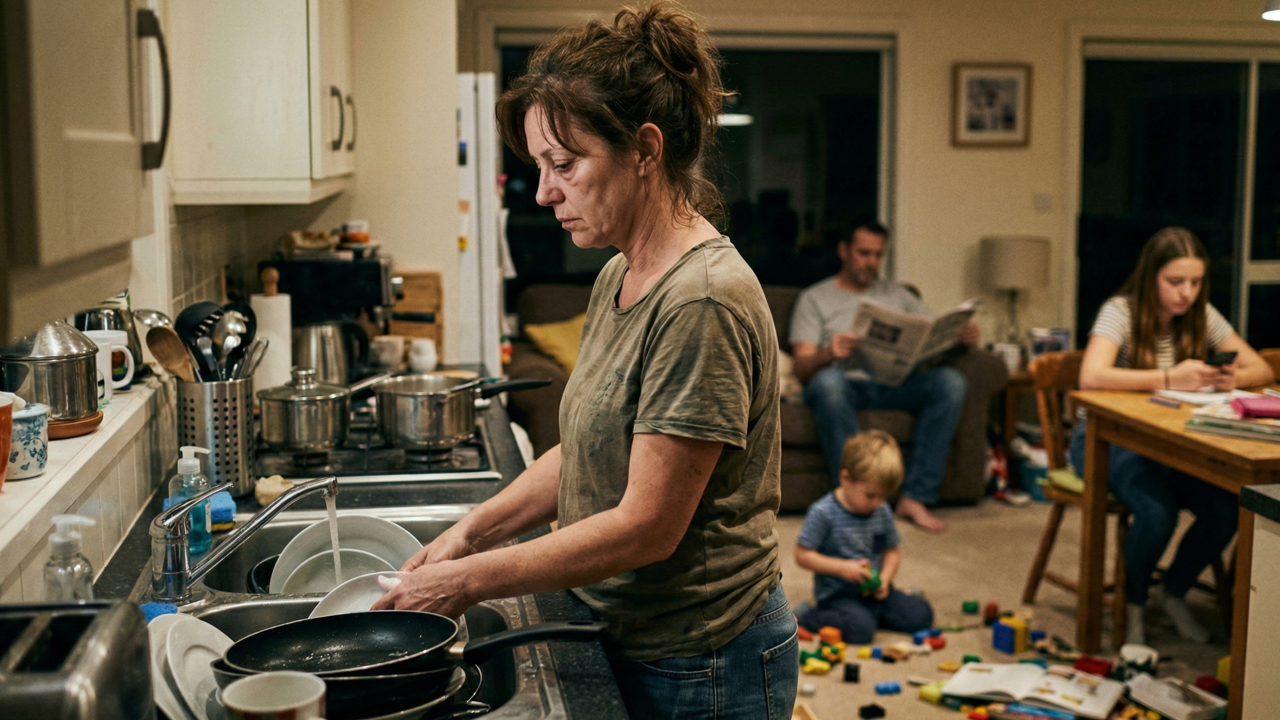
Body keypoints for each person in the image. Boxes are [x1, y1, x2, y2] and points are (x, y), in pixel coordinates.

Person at [372, 4, 798, 718]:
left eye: (564, 165)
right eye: (541, 167)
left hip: (703, 663)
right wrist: (469, 534)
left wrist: (468, 581)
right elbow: (589, 448)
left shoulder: (701, 300)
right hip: (631, 634)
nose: (545, 192)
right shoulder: (618, 273)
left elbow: (647, 526)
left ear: (644, 149)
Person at [1074, 226, 1275, 645]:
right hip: (1108, 438)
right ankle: (1134, 606)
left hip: (1172, 439)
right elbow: (1090, 376)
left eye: (1196, 282)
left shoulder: (1201, 315)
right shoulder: (1120, 311)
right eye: (1175, 281)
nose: (1187, 293)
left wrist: (1230, 379)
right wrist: (1169, 377)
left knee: (1226, 508)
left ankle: (1175, 591)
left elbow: (1262, 369)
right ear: (1151, 277)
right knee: (1156, 512)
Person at [790, 223, 979, 533]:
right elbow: (802, 367)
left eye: (878, 255)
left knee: (950, 382)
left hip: (895, 384)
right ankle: (856, 499)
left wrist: (958, 339)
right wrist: (828, 353)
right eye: (864, 253)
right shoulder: (815, 298)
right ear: (843, 251)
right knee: (827, 384)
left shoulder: (900, 296)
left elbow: (930, 339)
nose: (872, 262)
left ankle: (915, 498)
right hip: (844, 385)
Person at [794, 430, 934, 644]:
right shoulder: (822, 512)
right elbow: (802, 555)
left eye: (884, 496)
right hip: (838, 595)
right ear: (845, 478)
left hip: (874, 591)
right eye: (870, 495)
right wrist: (843, 568)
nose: (878, 502)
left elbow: (892, 551)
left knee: (922, 616)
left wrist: (885, 580)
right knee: (861, 630)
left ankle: (874, 613)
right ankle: (808, 616)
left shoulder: (882, 511)